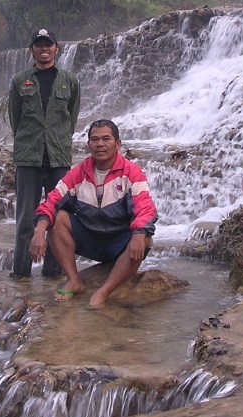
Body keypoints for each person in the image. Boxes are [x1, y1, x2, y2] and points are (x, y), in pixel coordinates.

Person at [30, 119, 157, 308]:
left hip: (119, 244)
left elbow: (145, 209)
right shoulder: (78, 173)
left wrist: (139, 234)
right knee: (57, 219)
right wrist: (39, 232)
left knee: (144, 236)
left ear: (118, 144)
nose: (100, 144)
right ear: (88, 145)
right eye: (95, 140)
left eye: (106, 139)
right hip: (90, 240)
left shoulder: (132, 173)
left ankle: (104, 291)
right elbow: (52, 201)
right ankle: (74, 281)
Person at [8, 28, 81, 279]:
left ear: (56, 49)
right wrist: (31, 141)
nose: (44, 49)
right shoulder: (20, 81)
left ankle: (53, 272)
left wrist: (57, 139)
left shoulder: (69, 80)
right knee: (25, 219)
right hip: (29, 158)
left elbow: (71, 119)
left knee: (59, 218)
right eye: (39, 45)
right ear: (33, 50)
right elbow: (15, 119)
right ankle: (21, 274)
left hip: (58, 157)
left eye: (48, 45)